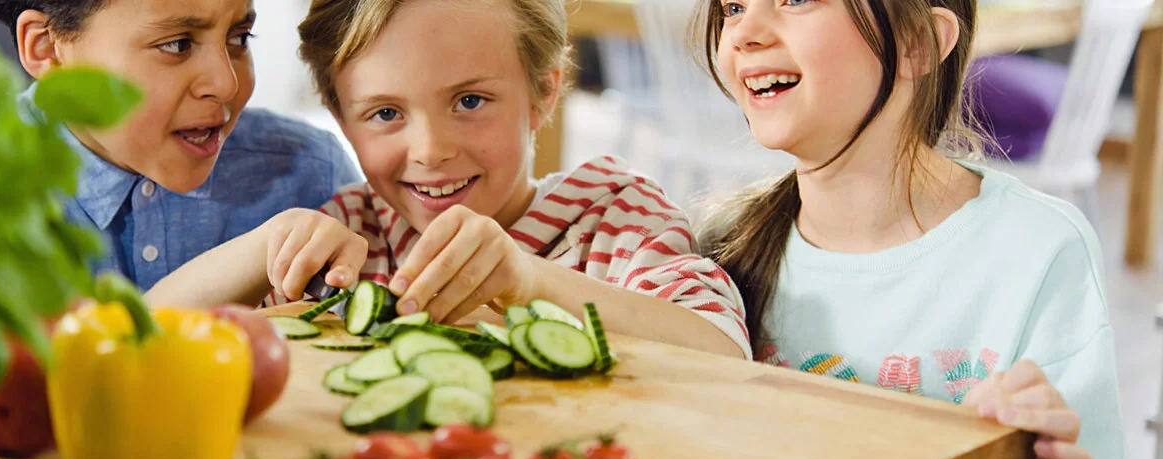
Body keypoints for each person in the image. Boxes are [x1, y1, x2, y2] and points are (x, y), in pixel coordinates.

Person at [146, 0, 749, 358]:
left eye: (469, 101)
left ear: (542, 94)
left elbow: (723, 347)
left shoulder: (610, 215)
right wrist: (264, 244)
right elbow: (139, 338)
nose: (430, 151)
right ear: (341, 120)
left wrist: (528, 281)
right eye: (385, 114)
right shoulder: (351, 233)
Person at [693, 0, 1124, 459]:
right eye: (732, 7)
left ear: (916, 44)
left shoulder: (1041, 251)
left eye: (795, 0)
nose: (743, 33)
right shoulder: (717, 248)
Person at [0, 0, 362, 290]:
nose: (226, 84)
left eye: (239, 38)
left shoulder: (311, 173)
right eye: (177, 45)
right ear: (47, 48)